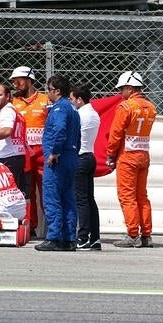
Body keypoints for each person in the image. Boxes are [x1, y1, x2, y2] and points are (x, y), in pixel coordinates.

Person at [107, 71, 157, 248]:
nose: (120, 93)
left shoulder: (125, 107)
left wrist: (110, 153)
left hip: (127, 157)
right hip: (144, 156)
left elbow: (115, 133)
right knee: (142, 196)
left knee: (127, 196)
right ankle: (146, 235)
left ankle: (132, 235)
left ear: (129, 88)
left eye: (122, 90)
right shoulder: (151, 107)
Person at [35, 74, 80, 252]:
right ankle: (69, 239)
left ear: (58, 91)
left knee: (52, 197)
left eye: (50, 90)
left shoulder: (59, 108)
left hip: (58, 158)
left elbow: (60, 130)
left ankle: (53, 237)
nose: (48, 93)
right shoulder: (73, 109)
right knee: (68, 198)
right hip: (71, 156)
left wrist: (54, 152)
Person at [10, 66, 51, 237]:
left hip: (42, 153)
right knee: (26, 191)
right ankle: (31, 227)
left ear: (29, 80)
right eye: (13, 82)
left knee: (46, 190)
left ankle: (52, 229)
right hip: (22, 152)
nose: (15, 85)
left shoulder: (45, 100)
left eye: (18, 81)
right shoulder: (13, 102)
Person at [69, 84, 101, 251]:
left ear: (79, 100)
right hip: (90, 156)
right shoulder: (94, 113)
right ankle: (95, 238)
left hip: (80, 158)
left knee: (81, 200)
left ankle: (82, 238)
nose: (71, 102)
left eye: (72, 99)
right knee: (89, 199)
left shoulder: (79, 114)